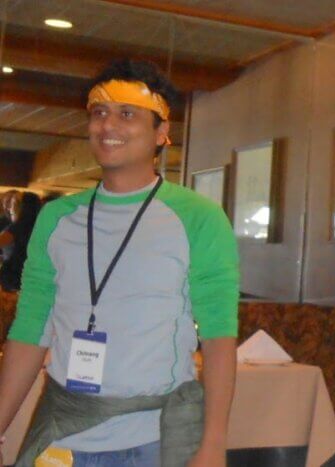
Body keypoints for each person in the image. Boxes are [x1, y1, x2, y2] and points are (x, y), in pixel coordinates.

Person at [0, 59, 239, 466]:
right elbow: (31, 327)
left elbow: (218, 337)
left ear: (161, 132)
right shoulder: (58, 218)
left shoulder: (198, 217)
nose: (107, 125)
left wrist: (213, 444)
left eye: (127, 114)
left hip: (155, 439)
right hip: (64, 431)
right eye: (99, 113)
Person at [0, 191, 43, 291]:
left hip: (13, 274)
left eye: (13, 203)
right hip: (29, 274)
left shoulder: (16, 228)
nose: (9, 208)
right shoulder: (38, 226)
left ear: (22, 207)